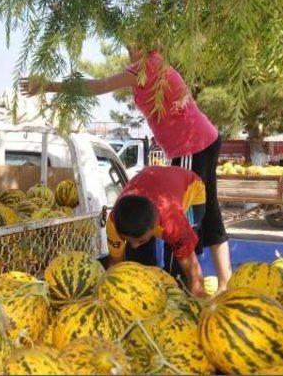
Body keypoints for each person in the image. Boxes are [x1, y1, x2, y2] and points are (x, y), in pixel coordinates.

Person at [20, 47, 232, 292]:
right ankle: (225, 282)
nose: (131, 47)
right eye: (129, 43)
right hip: (200, 140)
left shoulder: (147, 66)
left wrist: (48, 86)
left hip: (192, 143)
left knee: (179, 220)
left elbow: (97, 87)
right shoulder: (155, 65)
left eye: (136, 41)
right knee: (210, 215)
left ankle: (183, 290)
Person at [105, 166, 206, 296]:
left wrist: (197, 307)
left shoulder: (173, 224)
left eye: (140, 240)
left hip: (192, 189)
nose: (134, 245)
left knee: (176, 266)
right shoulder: (114, 223)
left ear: (154, 227)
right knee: (138, 263)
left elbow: (194, 273)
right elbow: (115, 264)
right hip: (152, 184)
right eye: (129, 241)